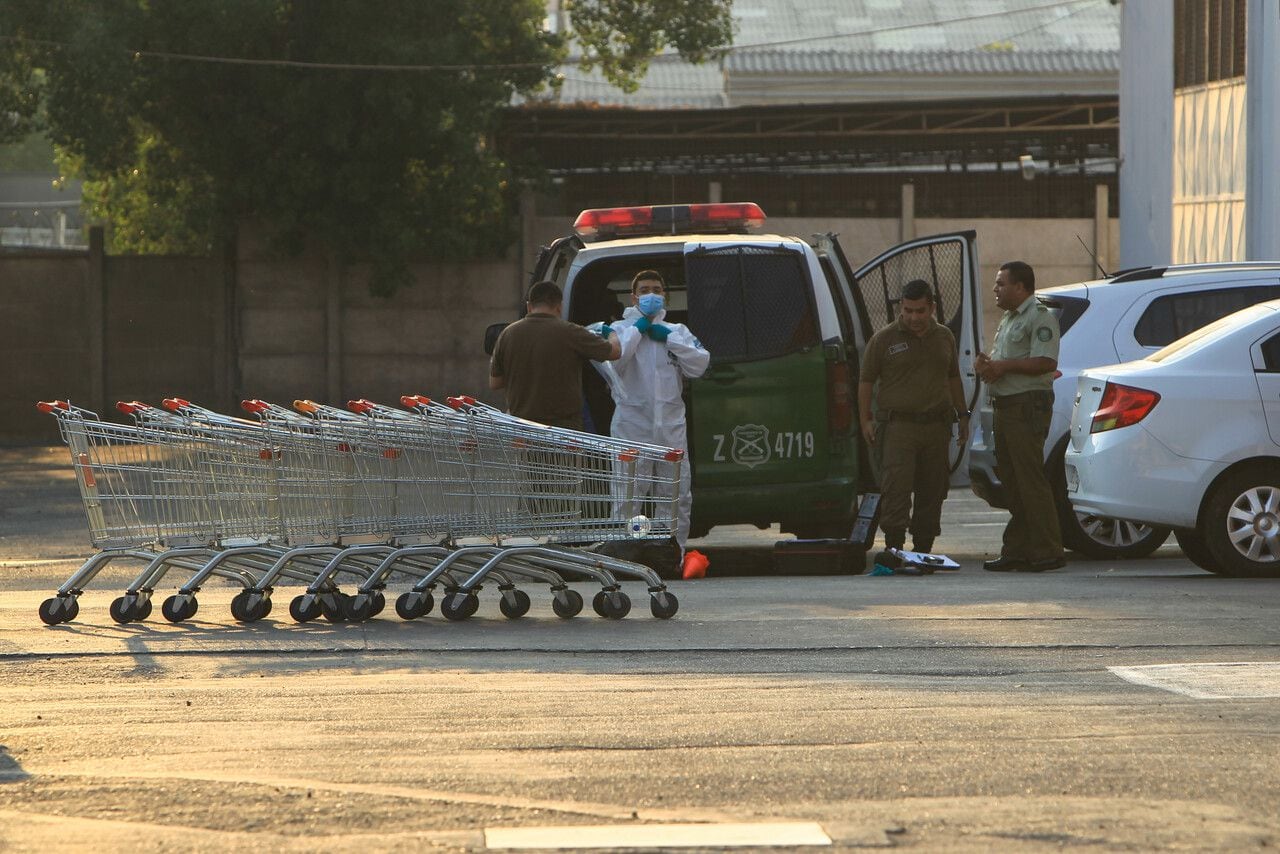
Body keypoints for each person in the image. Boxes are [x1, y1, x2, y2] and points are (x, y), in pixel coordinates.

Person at [597, 270, 710, 553]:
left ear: (664, 296)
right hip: (632, 425)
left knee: (675, 494)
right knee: (628, 494)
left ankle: (671, 554)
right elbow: (616, 363)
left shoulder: (677, 332)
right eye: (644, 290)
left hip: (670, 426)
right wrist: (640, 328)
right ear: (634, 297)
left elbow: (699, 364)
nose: (651, 294)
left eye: (656, 289)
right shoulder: (619, 331)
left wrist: (667, 338)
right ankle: (626, 553)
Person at [858, 278, 969, 555]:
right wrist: (865, 419)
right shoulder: (884, 339)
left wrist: (962, 414)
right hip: (898, 427)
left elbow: (953, 376)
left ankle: (923, 550)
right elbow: (866, 381)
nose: (913, 317)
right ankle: (894, 548)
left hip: (936, 425)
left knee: (932, 491)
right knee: (896, 488)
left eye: (920, 311)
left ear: (931, 308)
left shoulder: (944, 336)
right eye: (907, 310)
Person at [975, 260, 1065, 572]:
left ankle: (1047, 550)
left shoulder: (1038, 317)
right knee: (1012, 480)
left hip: (1026, 406)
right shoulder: (1010, 318)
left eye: (1001, 283)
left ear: (1020, 286)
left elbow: (1044, 361)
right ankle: (1018, 549)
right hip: (1006, 405)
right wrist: (989, 367)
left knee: (1030, 479)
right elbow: (1007, 360)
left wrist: (1003, 367)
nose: (995, 289)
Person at [489, 280, 620, 429]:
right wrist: (612, 332)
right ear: (559, 306)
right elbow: (614, 352)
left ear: (529, 306)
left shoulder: (507, 334)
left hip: (522, 429)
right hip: (563, 431)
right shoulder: (571, 332)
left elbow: (495, 383)